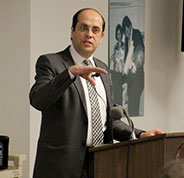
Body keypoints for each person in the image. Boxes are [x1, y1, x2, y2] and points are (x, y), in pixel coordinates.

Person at [29, 8, 163, 178]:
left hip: (100, 163)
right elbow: (38, 99)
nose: (89, 34)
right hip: (60, 167)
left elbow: (108, 121)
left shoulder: (103, 69)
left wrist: (138, 134)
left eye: (95, 30)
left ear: (102, 38)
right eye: (83, 28)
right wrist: (70, 74)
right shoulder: (51, 63)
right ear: (72, 31)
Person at [122, 15, 145, 116]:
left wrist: (134, 65)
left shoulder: (136, 34)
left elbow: (140, 53)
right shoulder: (128, 39)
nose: (126, 34)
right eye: (125, 33)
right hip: (130, 78)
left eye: (127, 31)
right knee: (130, 105)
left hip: (137, 78)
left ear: (130, 27)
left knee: (134, 105)